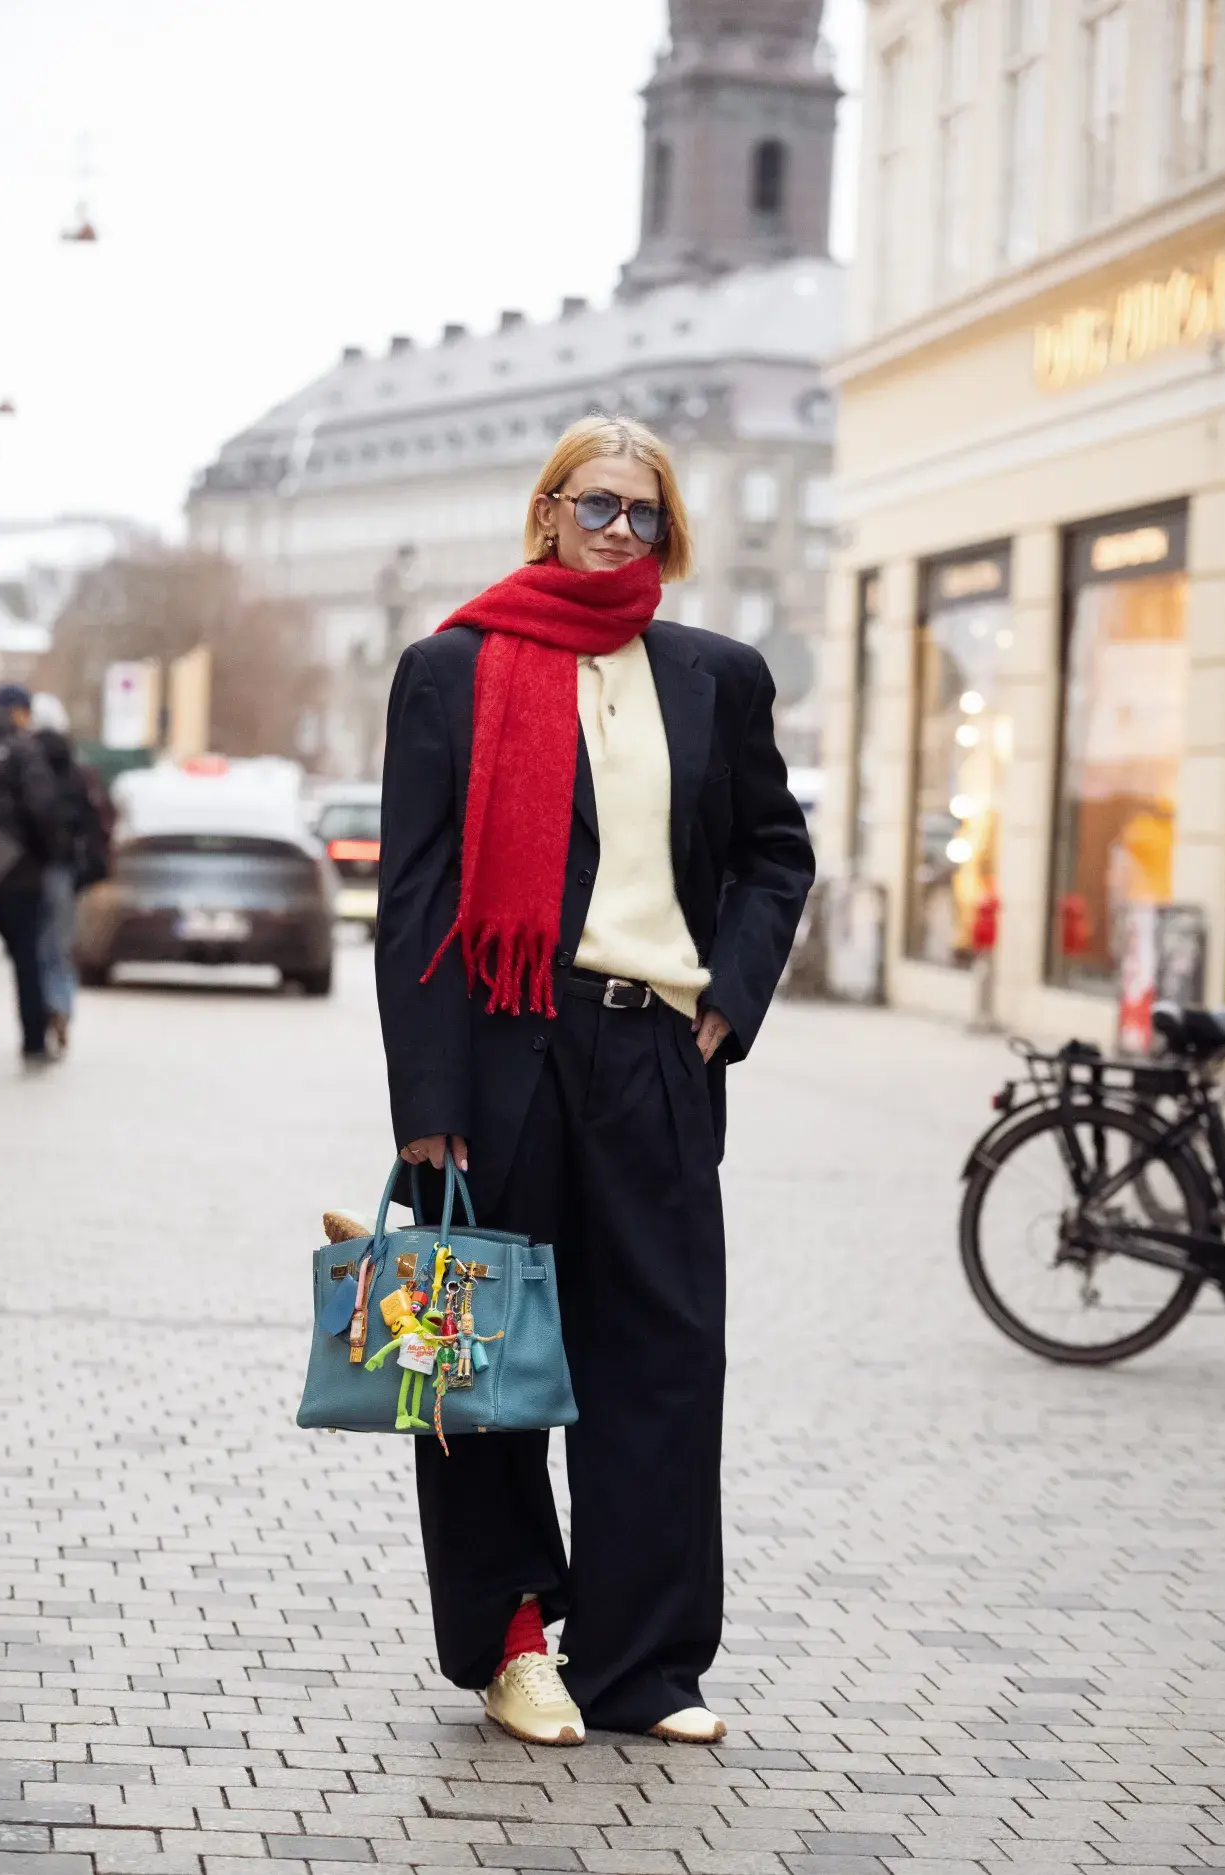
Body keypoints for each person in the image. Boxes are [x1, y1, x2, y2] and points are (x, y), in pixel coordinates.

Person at [376, 415, 814, 1745]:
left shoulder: (715, 674)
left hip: (652, 1053)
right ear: (548, 511)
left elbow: (771, 853)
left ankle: (644, 1663)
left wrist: (724, 1003)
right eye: (596, 504)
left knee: (663, 1361)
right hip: (502, 1051)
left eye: (642, 510)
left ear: (666, 529)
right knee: (476, 1365)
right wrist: (429, 1111)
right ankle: (511, 1642)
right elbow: (417, 900)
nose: (619, 529)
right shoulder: (449, 669)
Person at [29, 693, 111, 1055]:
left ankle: (36, 1015)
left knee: (30, 948)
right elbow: (94, 822)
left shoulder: (23, 760)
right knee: (59, 947)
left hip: (27, 869)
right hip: (64, 869)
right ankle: (60, 1005)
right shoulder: (78, 769)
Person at [0, 682, 61, 1064]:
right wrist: (48, 856)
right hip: (17, 876)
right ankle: (33, 1043)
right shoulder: (23, 750)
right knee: (27, 963)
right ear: (18, 712)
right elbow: (42, 809)